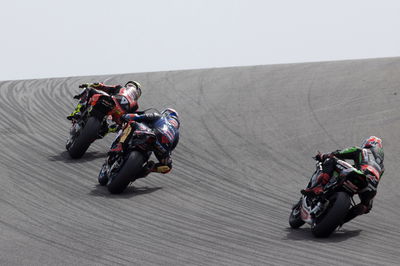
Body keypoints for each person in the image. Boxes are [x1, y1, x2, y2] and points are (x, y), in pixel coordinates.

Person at [301, 136, 384, 223]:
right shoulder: (381, 168)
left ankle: (320, 186)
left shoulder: (362, 151)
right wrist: (367, 203)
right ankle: (341, 220)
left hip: (358, 175)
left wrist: (323, 156)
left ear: (367, 144)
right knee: (365, 207)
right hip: (370, 188)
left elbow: (339, 153)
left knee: (331, 159)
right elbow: (374, 180)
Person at [109, 108, 180, 177]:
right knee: (167, 167)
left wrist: (124, 116)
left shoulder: (159, 117)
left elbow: (138, 117)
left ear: (165, 114)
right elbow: (170, 150)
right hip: (163, 147)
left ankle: (120, 145)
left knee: (131, 123)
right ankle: (148, 169)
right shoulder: (176, 133)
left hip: (152, 134)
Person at [67, 81, 142, 123]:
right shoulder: (135, 105)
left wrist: (87, 84)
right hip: (118, 113)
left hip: (113, 103)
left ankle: (77, 112)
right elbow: (133, 117)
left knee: (89, 89)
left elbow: (101, 86)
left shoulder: (120, 88)